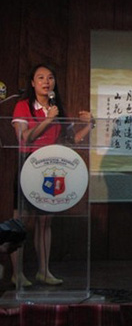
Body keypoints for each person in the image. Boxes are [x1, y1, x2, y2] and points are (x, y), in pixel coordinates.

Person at [11, 64, 94, 287]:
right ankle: (17, 273)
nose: (46, 82)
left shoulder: (57, 109)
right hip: (28, 166)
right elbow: (24, 138)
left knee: (45, 222)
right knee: (21, 222)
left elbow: (72, 139)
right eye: (40, 78)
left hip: (51, 169)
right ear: (32, 83)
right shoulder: (23, 106)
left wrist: (90, 124)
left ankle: (44, 271)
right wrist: (48, 119)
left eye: (50, 78)